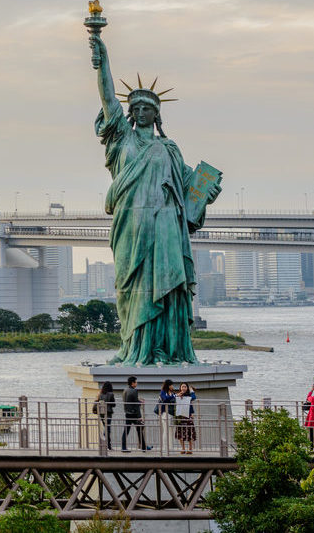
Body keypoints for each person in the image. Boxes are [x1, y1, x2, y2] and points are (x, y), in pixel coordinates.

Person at [88, 31, 221, 366]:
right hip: (131, 225)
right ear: (130, 113)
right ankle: (132, 346)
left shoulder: (169, 148)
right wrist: (102, 58)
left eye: (148, 107)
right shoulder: (120, 140)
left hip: (164, 228)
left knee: (168, 286)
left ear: (157, 114)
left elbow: (191, 190)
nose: (143, 111)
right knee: (130, 287)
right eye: (137, 108)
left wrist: (207, 194)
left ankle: (168, 348)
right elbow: (107, 99)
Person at [120, 376, 149, 452]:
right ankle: (143, 447)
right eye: (136, 382)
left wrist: (138, 401)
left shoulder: (125, 390)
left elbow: (129, 400)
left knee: (126, 431)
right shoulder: (134, 391)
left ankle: (124, 447)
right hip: (134, 414)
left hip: (127, 413)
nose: (137, 383)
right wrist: (139, 416)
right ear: (133, 383)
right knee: (139, 430)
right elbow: (136, 404)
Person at [174, 382, 197, 454]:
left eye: (185, 387)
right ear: (180, 388)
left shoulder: (189, 395)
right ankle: (183, 448)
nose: (183, 388)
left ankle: (190, 449)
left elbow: (194, 397)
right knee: (180, 433)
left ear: (187, 388)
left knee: (190, 433)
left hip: (188, 416)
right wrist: (178, 395)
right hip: (180, 416)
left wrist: (191, 390)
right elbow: (172, 399)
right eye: (182, 386)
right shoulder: (178, 395)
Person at [94, 381, 117, 450]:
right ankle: (104, 444)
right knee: (107, 430)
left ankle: (108, 445)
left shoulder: (100, 394)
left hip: (102, 414)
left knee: (106, 429)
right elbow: (114, 404)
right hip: (108, 414)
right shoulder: (111, 394)